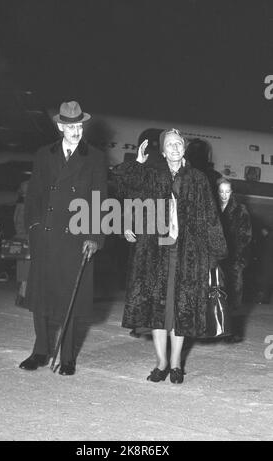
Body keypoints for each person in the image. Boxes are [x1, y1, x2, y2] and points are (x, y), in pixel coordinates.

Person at [111, 128, 227, 384]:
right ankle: (161, 362)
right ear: (162, 152)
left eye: (178, 143)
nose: (175, 148)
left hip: (187, 254)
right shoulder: (151, 175)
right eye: (170, 144)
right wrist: (138, 163)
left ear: (184, 148)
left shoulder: (197, 179)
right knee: (158, 309)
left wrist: (215, 253)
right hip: (155, 251)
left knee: (180, 309)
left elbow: (210, 217)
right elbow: (123, 185)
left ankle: (176, 364)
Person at [19, 100, 107, 376]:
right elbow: (33, 195)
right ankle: (40, 351)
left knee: (70, 299)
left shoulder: (94, 157)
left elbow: (99, 200)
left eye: (79, 125)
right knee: (43, 297)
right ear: (60, 127)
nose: (75, 130)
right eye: (70, 126)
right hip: (45, 235)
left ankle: (67, 357)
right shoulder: (44, 154)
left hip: (76, 239)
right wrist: (32, 227)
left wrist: (94, 236)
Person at [217, 178, 252, 342]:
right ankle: (216, 330)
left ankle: (234, 332)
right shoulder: (212, 208)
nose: (224, 195)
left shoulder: (241, 210)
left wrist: (235, 256)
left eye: (227, 191)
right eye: (221, 191)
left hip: (234, 261)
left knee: (234, 296)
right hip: (216, 259)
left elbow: (246, 236)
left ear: (232, 192)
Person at [13, 179, 30, 306]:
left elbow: (17, 223)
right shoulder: (26, 206)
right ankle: (23, 298)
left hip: (20, 238)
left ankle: (21, 298)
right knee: (27, 270)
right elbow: (24, 225)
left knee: (23, 270)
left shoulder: (19, 205)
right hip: (27, 240)